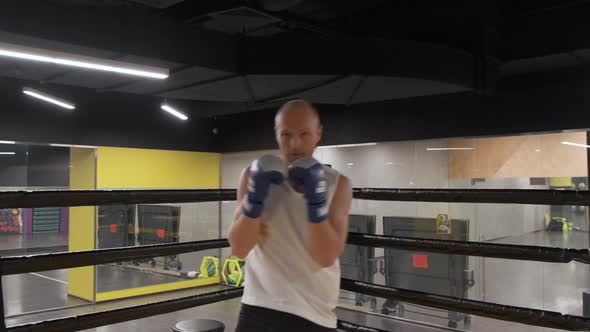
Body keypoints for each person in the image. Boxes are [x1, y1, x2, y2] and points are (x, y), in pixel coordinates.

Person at [228, 99, 353, 332]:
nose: (295, 143)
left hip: (313, 312)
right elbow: (239, 248)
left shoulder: (338, 184)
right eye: (286, 134)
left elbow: (326, 257)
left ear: (318, 133)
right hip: (259, 304)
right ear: (276, 134)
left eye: (304, 133)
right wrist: (254, 201)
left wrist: (316, 203)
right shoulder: (252, 176)